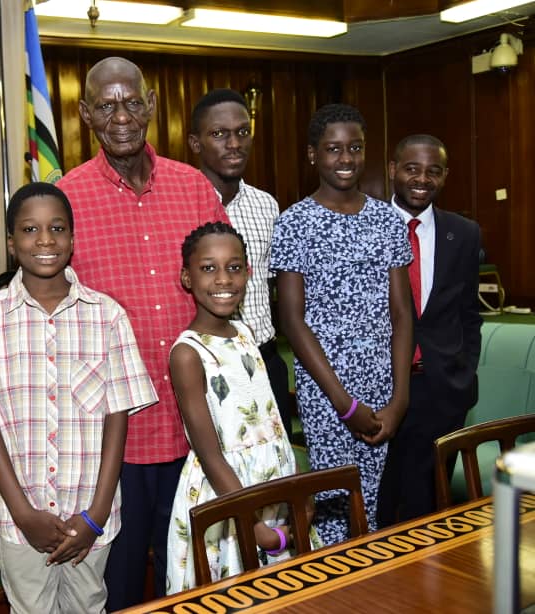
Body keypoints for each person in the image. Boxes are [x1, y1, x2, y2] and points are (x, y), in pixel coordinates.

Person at [56, 55, 227, 608]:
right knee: (123, 588)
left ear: (152, 105)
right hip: (114, 441)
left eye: (132, 101)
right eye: (106, 106)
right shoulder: (66, 199)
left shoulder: (193, 187)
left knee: (194, 579)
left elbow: (226, 290)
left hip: (195, 429)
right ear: (85, 114)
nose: (122, 116)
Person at [0, 182, 157, 614]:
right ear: (11, 243)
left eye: (56, 228)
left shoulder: (106, 315)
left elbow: (117, 417)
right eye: (29, 230)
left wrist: (97, 513)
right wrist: (21, 511)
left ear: (73, 239)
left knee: (89, 605)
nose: (45, 240)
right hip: (21, 516)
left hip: (87, 515)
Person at [270, 104, 414, 544]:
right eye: (333, 149)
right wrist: (345, 405)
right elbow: (291, 320)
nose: (346, 158)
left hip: (382, 386)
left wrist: (400, 399)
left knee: (374, 505)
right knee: (335, 504)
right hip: (327, 390)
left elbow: (402, 313)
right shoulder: (294, 222)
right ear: (312, 154)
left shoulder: (388, 220)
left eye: (355, 147)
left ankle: (373, 576)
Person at [165, 221, 321, 593]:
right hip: (229, 499)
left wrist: (299, 491)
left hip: (271, 486)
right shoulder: (188, 353)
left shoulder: (246, 334)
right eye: (208, 268)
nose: (223, 279)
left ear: (249, 273)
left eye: (234, 267)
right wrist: (252, 524)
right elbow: (210, 454)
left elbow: (272, 423)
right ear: (187, 277)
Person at [377, 135, 482, 525]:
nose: (422, 179)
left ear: (444, 176)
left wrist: (464, 370)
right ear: (392, 170)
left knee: (432, 510)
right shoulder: (367, 226)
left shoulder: (465, 233)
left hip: (442, 391)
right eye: (412, 169)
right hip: (381, 388)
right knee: (382, 506)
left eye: (433, 171)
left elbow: (469, 313)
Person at [188, 88, 294, 437]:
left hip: (265, 358)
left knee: (275, 461)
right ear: (196, 143)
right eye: (219, 133)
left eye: (242, 132)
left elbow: (273, 285)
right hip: (207, 363)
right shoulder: (181, 205)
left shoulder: (267, 205)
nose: (234, 144)